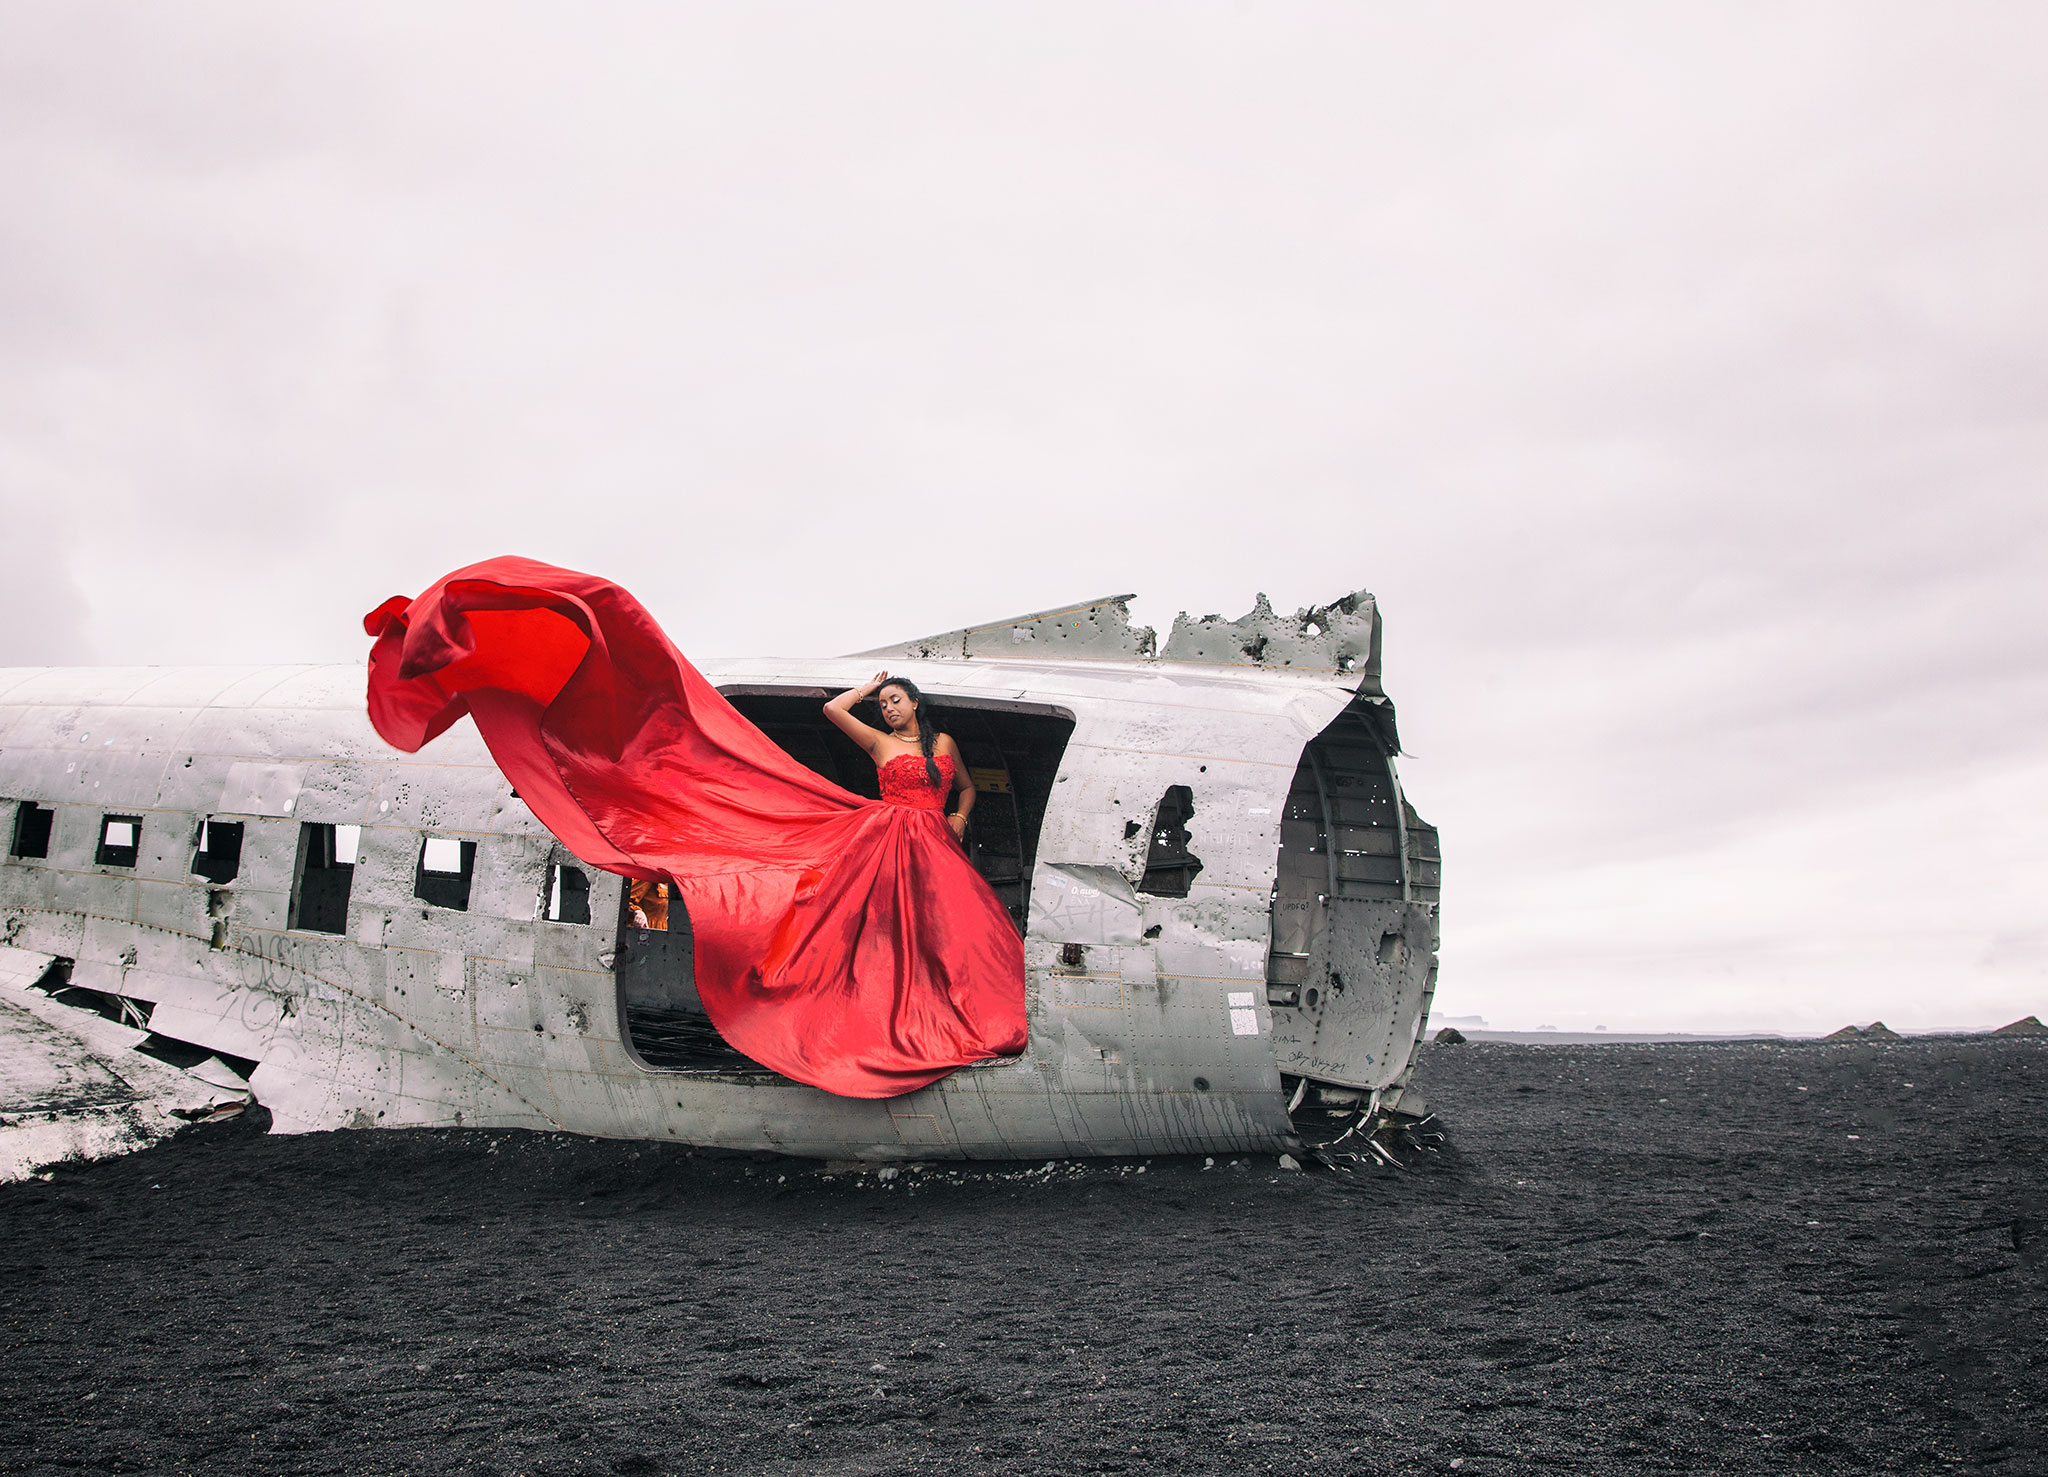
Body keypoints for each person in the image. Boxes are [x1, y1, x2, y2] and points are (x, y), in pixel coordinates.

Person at [823, 673, 974, 843]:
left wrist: (960, 816)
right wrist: (865, 690)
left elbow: (967, 788)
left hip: (936, 836)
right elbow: (832, 708)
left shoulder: (945, 741)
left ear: (914, 702)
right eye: (883, 705)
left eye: (895, 700)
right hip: (893, 836)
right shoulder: (880, 742)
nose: (889, 708)